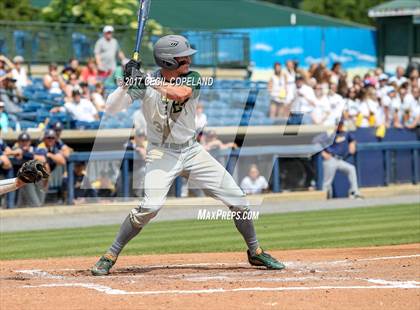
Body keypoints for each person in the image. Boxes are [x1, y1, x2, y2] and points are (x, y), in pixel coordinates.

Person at [91, 34, 284, 276]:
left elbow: (179, 94)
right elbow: (110, 108)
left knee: (238, 199)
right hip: (161, 153)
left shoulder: (191, 78)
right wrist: (125, 84)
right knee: (150, 207)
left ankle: (255, 252)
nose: (188, 63)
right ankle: (110, 254)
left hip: (191, 150)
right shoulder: (146, 83)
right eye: (183, 60)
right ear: (168, 62)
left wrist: (145, 79)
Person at [321, 121, 362, 199]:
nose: (340, 126)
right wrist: (323, 153)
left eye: (341, 125)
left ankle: (354, 192)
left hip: (340, 160)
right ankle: (324, 196)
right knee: (327, 181)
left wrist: (352, 143)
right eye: (338, 124)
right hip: (331, 159)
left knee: (351, 169)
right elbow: (318, 143)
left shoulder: (346, 133)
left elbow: (352, 139)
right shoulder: (329, 134)